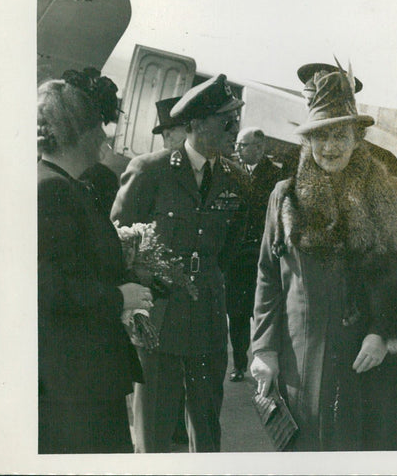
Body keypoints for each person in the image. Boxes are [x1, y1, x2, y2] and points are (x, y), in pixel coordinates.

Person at [250, 62, 397, 451]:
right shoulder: (284, 195)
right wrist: (263, 349)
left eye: (340, 135)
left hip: (368, 356)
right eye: (320, 136)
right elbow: (267, 275)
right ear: (307, 140)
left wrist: (382, 332)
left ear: (358, 137)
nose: (330, 147)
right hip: (302, 358)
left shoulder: (389, 192)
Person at [111, 74, 247, 452]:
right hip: (159, 321)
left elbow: (230, 249)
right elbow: (117, 241)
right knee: (153, 430)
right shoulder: (150, 170)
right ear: (194, 125)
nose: (235, 129)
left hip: (207, 318)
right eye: (226, 121)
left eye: (236, 120)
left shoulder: (234, 179)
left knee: (206, 427)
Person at [38, 68, 152, 453]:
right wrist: (120, 298)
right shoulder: (53, 190)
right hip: (73, 381)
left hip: (82, 374)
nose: (104, 136)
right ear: (79, 134)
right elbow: (47, 288)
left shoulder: (66, 185)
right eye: (96, 128)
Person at [225, 127, 283, 382]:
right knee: (237, 312)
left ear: (259, 148)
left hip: (263, 257)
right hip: (237, 258)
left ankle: (268, 362)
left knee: (263, 312)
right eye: (237, 144)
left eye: (243, 145)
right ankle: (239, 362)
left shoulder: (276, 177)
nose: (236, 149)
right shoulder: (231, 172)